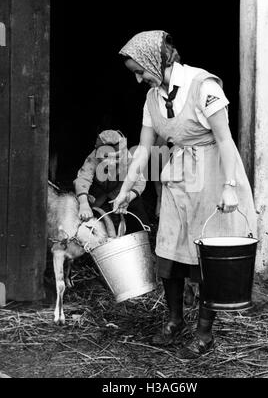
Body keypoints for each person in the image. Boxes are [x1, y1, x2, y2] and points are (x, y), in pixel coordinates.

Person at [112, 30, 257, 358]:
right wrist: (125, 192)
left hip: (214, 174)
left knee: (207, 255)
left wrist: (230, 187)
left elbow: (225, 140)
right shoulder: (152, 99)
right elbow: (144, 150)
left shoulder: (202, 86)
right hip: (179, 174)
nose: (138, 80)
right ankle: (174, 320)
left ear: (155, 59)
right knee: (170, 249)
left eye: (140, 71)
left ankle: (204, 333)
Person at [74, 129, 149, 234]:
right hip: (99, 194)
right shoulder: (93, 157)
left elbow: (140, 181)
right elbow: (83, 178)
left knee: (138, 217)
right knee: (95, 223)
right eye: (106, 157)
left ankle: (140, 236)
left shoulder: (128, 157)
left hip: (121, 192)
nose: (111, 162)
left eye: (116, 157)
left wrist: (128, 197)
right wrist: (83, 204)